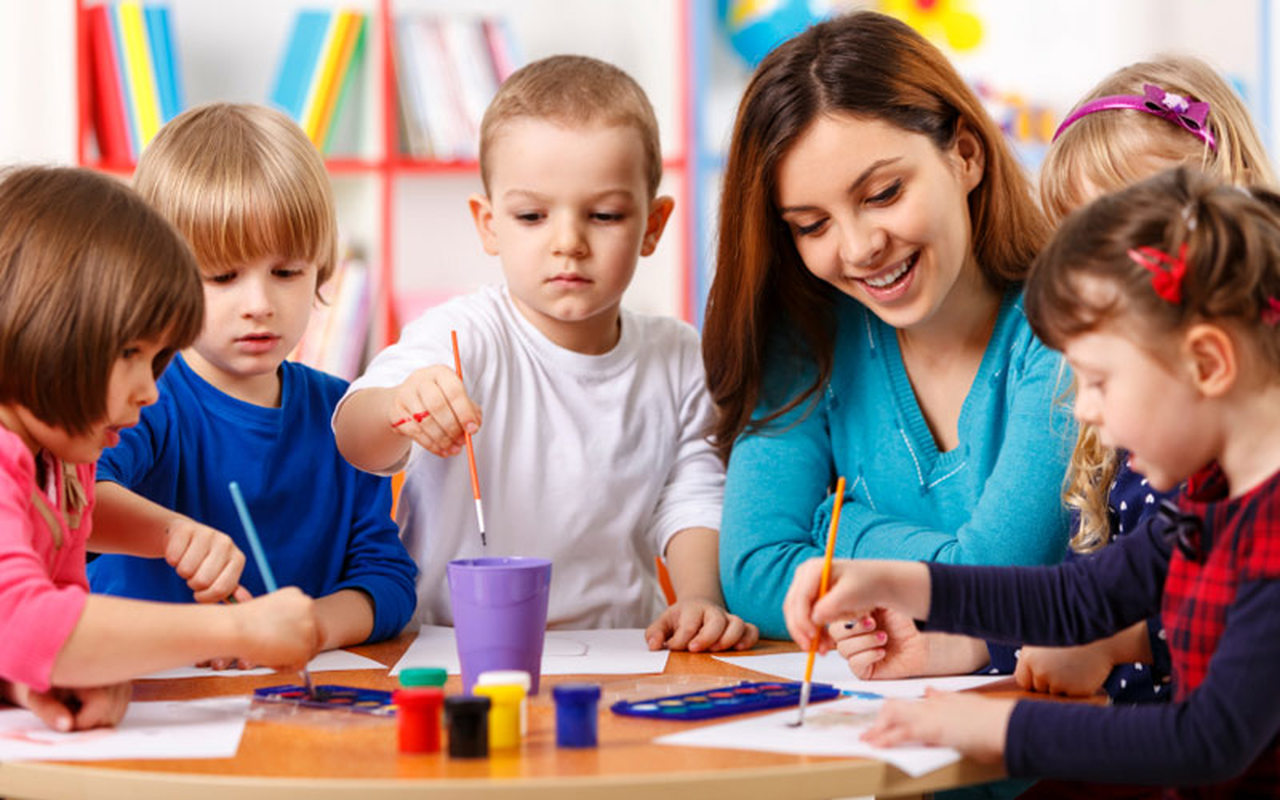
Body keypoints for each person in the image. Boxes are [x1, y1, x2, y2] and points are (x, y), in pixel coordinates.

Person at [784, 167, 1280, 798]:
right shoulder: (1209, 502)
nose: (1085, 411)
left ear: (1207, 362)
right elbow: (1078, 598)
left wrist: (995, 727)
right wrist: (888, 581)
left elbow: (1208, 742)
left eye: (1099, 381)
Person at [832, 57, 1277, 709]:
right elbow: (1083, 597)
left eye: (1121, 240)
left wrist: (1103, 652)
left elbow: (1209, 694)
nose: (1088, 276)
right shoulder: (1137, 429)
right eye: (1074, 242)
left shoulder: (1241, 470)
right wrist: (968, 644)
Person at [333, 55, 757, 652]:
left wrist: (699, 599)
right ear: (489, 224)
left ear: (653, 225)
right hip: (454, 648)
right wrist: (400, 406)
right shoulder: (461, 336)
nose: (568, 243)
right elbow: (355, 439)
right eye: (532, 215)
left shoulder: (678, 356)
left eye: (604, 215)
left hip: (624, 649)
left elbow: (694, 498)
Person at [703, 10, 1072, 656]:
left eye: (883, 193)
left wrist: (838, 530)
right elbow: (754, 572)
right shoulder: (810, 334)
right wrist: (938, 582)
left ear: (965, 155)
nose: (859, 248)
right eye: (812, 225)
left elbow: (997, 582)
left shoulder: (1064, 331)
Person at [87, 103, 418, 654]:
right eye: (222, 276)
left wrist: (311, 626)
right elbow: (74, 503)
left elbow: (388, 581)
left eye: (286, 272)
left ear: (321, 271)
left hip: (285, 691)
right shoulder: (141, 400)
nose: (259, 303)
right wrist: (174, 535)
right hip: (150, 687)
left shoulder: (347, 416)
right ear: (160, 281)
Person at [0, 165, 318, 732]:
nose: (150, 391)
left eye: (158, 360)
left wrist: (32, 683)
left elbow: (43, 620)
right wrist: (239, 630)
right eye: (131, 353)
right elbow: (24, 620)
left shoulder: (65, 465)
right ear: (40, 330)